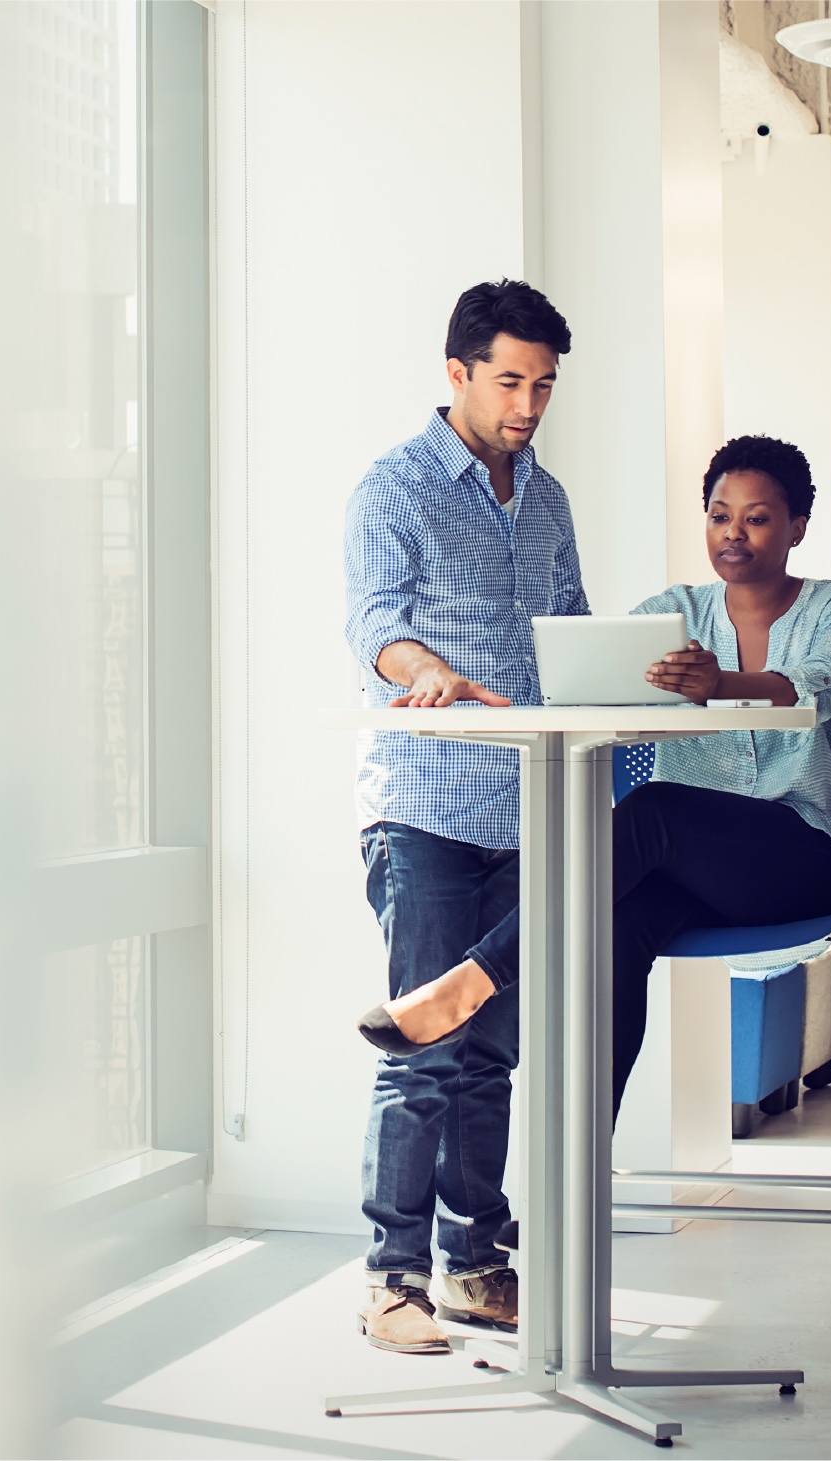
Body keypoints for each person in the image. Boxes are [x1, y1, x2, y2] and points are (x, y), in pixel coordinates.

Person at [360, 433, 831, 1123]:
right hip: (701, 881)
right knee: (615, 927)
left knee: (653, 810)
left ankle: (472, 979)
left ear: (797, 525)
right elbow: (588, 684)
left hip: (810, 857)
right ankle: (579, 1178)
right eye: (718, 514)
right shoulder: (669, 614)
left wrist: (719, 684)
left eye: (757, 516)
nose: (732, 532)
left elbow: (818, 688)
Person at [343, 279, 586, 1355]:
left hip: (526, 808)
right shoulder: (392, 488)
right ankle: (391, 1279)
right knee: (421, 1054)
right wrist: (424, 667)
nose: (527, 404)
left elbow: (572, 630)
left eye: (542, 384)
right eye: (509, 381)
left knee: (490, 1052)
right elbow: (373, 624)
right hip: (426, 810)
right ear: (457, 374)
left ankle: (476, 1266)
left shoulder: (549, 500)